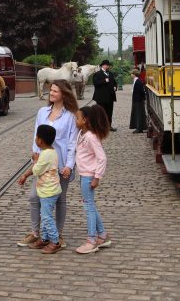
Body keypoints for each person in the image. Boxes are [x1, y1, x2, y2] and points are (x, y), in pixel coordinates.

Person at [16, 79, 79, 249]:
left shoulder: (71, 116)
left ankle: (57, 234)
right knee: (34, 197)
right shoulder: (42, 112)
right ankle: (36, 233)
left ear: (64, 94)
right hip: (43, 162)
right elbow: (37, 135)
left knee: (60, 200)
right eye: (50, 90)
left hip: (61, 163)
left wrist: (70, 165)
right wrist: (34, 153)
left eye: (55, 91)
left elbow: (73, 143)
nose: (51, 93)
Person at [17, 124, 62, 254]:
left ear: (40, 140)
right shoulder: (49, 152)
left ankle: (55, 242)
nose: (35, 139)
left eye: (36, 137)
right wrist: (25, 174)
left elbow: (37, 171)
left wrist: (35, 160)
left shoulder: (45, 155)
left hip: (49, 191)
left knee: (47, 217)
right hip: (47, 190)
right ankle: (44, 238)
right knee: (45, 214)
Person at [74, 105, 112, 253]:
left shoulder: (91, 137)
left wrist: (97, 177)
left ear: (85, 120)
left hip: (89, 176)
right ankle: (102, 235)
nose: (75, 120)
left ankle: (91, 240)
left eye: (78, 118)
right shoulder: (82, 134)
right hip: (83, 174)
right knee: (89, 205)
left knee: (88, 207)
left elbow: (102, 158)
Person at [92, 60, 118, 131]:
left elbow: (114, 82)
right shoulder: (97, 74)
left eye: (108, 65)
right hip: (101, 98)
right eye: (107, 65)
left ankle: (109, 126)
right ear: (103, 65)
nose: (108, 66)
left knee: (109, 112)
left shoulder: (111, 73)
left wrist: (115, 87)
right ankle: (101, 127)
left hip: (110, 97)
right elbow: (95, 83)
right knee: (101, 112)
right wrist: (104, 81)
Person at [129, 69, 148, 133]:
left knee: (139, 114)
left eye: (131, 73)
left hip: (138, 100)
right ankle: (138, 127)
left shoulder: (138, 81)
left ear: (134, 74)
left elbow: (141, 91)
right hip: (136, 99)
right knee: (137, 113)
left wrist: (143, 99)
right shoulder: (135, 81)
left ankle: (139, 128)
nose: (130, 75)